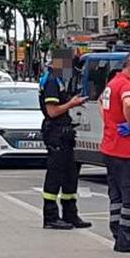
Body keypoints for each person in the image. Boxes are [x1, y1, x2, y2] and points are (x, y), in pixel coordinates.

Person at [100, 51, 130, 253]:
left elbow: (100, 104)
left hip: (110, 146)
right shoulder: (127, 86)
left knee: (117, 195)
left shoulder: (112, 85)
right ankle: (127, 238)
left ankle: (117, 230)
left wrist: (110, 124)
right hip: (126, 149)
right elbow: (129, 103)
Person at [38, 56, 92, 230]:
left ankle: (70, 214)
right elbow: (52, 111)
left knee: (70, 175)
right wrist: (71, 103)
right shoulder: (52, 82)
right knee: (55, 175)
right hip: (56, 133)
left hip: (64, 133)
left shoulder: (59, 81)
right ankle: (51, 216)